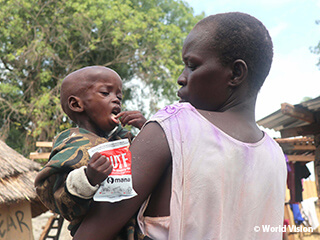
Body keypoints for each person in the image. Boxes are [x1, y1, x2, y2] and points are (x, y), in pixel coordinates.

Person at [73, 12, 287, 240]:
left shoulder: (174, 125)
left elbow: (90, 234)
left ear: (235, 73)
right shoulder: (275, 155)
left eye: (192, 66)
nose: (181, 78)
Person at [34, 66, 146, 238]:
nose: (116, 100)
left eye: (119, 96)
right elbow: (61, 202)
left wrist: (146, 129)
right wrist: (88, 178)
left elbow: (149, 163)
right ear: (77, 104)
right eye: (105, 93)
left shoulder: (124, 139)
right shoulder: (72, 144)